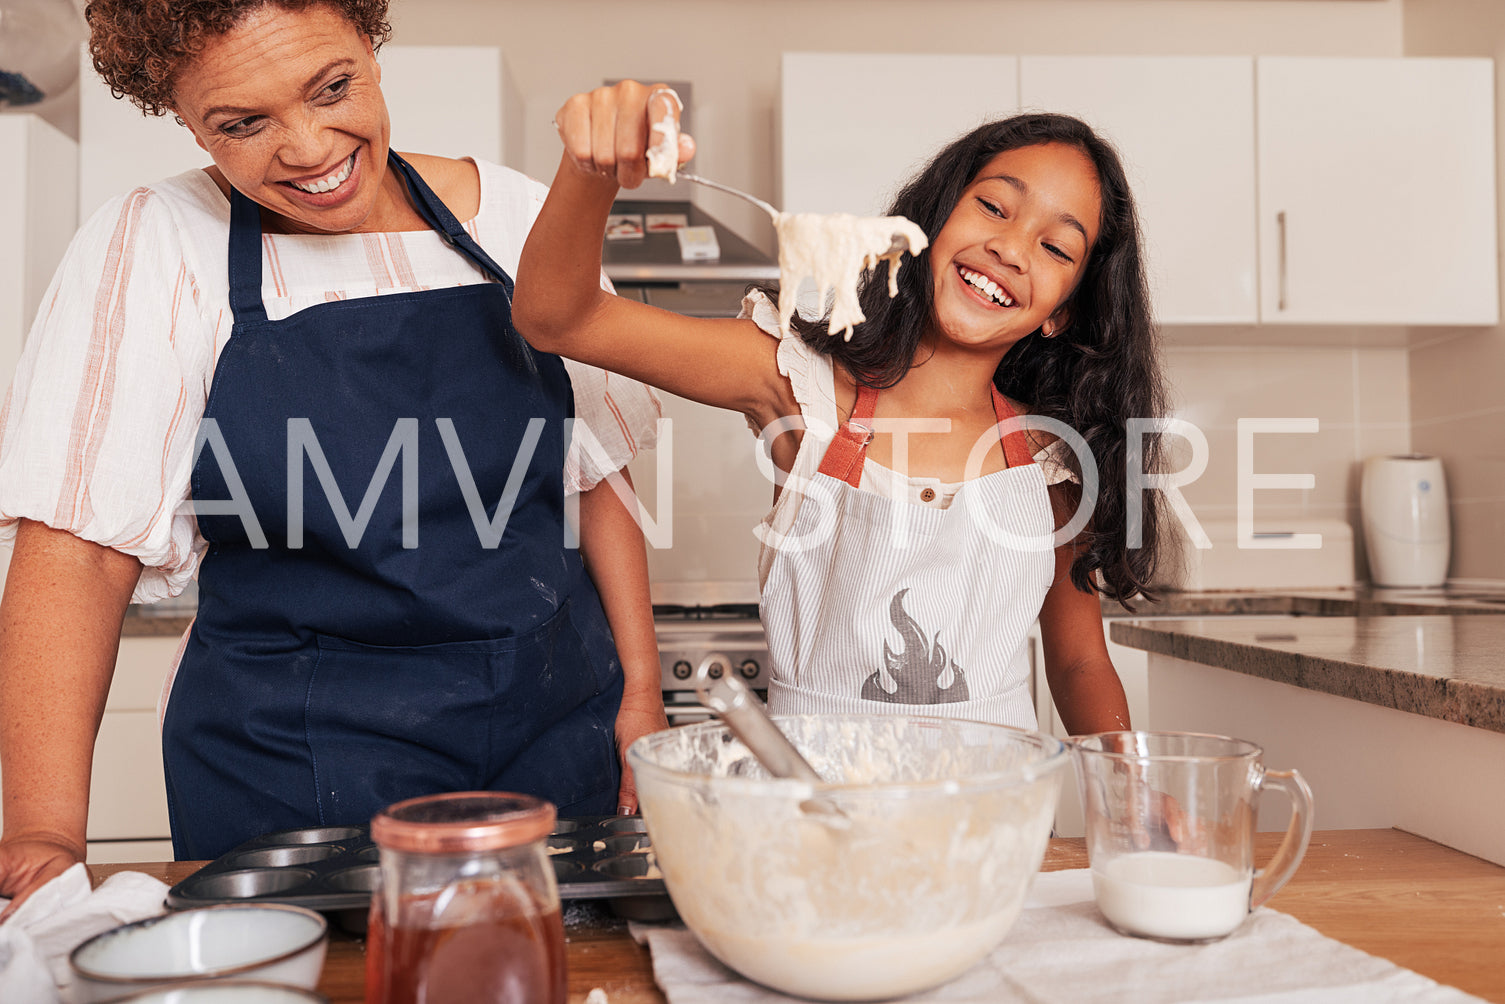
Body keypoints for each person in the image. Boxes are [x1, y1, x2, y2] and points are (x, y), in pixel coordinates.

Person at [0, 1, 669, 911]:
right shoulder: (157, 242)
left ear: (371, 45)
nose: (310, 147)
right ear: (182, 116)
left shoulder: (516, 214)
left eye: (332, 88)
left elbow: (595, 478)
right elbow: (74, 556)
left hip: (553, 735)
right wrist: (42, 832)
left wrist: (639, 695)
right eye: (242, 122)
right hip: (290, 768)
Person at [514, 82, 1170, 736]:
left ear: (1061, 311)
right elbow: (558, 319)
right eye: (994, 207)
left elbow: (1081, 662)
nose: (1011, 247)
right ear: (931, 219)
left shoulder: (1051, 461)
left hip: (994, 825)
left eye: (1055, 247)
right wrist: (590, 171)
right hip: (817, 818)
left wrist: (1134, 794)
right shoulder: (798, 384)